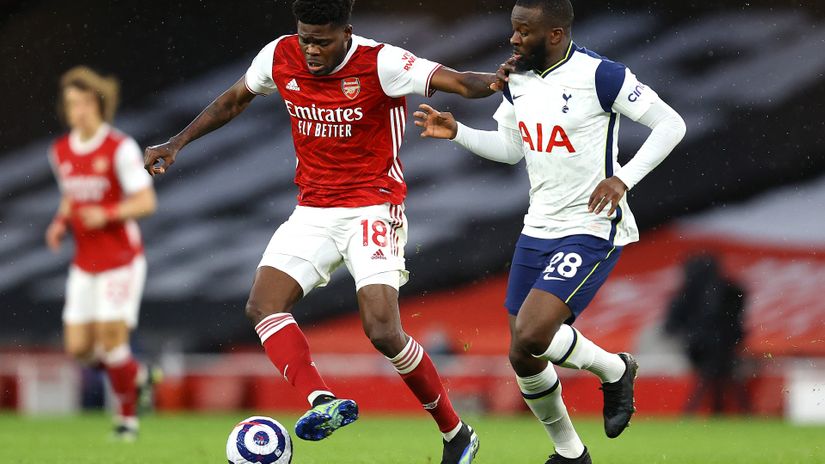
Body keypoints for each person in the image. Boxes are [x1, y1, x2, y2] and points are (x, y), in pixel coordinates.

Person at [143, 1, 498, 461]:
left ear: (347, 32)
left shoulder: (382, 62)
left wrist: (497, 80)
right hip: (312, 210)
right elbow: (235, 99)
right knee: (263, 305)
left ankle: (456, 432)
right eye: (305, 37)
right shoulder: (279, 55)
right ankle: (321, 401)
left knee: (383, 331)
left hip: (373, 207)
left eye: (322, 40)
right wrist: (177, 143)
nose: (311, 49)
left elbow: (459, 82)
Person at [414, 0, 687, 462]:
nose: (514, 40)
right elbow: (510, 149)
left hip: (591, 225)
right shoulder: (515, 79)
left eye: (523, 32)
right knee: (522, 356)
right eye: (514, 30)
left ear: (555, 34)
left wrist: (623, 179)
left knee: (534, 333)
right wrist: (458, 131)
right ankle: (570, 452)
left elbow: (670, 124)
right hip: (537, 228)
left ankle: (615, 370)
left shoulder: (603, 76)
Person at [46, 66, 157, 441]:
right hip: (85, 262)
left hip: (121, 259)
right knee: (78, 348)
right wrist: (60, 222)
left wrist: (107, 213)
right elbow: (70, 194)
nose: (76, 110)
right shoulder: (60, 151)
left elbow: (145, 201)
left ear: (97, 103)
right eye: (70, 103)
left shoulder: (119, 147)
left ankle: (127, 422)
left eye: (82, 102)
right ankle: (138, 376)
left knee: (112, 339)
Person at [665, 255, 750, 415]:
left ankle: (695, 412)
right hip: (721, 345)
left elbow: (671, 325)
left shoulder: (688, 293)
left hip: (704, 345)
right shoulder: (730, 290)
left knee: (713, 377)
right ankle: (739, 411)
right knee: (722, 377)